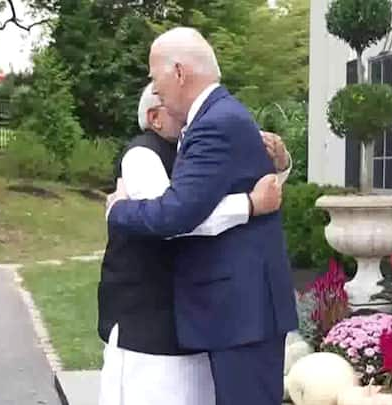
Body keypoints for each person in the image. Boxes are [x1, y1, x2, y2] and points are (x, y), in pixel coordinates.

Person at [106, 27, 298, 405]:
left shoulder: (215, 122)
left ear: (178, 72)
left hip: (242, 314)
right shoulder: (216, 116)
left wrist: (118, 209)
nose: (154, 86)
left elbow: (176, 215)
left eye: (154, 74)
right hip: (240, 312)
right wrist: (251, 201)